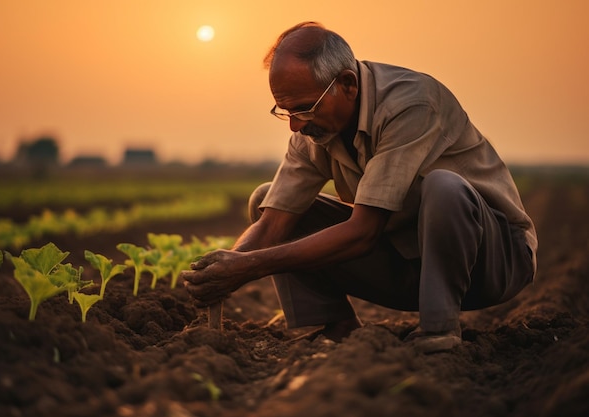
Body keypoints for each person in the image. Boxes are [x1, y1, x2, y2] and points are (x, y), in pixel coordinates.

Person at [181, 22, 537, 353]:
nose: (294, 125)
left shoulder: (411, 104)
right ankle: (338, 326)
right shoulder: (313, 128)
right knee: (265, 199)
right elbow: (274, 223)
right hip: (407, 260)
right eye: (285, 111)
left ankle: (439, 328)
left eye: (304, 108)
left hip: (491, 261)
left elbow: (364, 232)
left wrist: (249, 267)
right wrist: (224, 268)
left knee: (443, 188)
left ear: (348, 84)